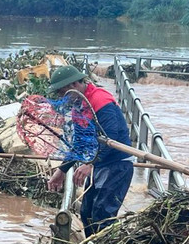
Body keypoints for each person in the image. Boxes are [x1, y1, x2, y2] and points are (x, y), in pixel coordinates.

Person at [45, 65, 134, 235]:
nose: (59, 97)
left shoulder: (100, 100)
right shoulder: (79, 105)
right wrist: (62, 171)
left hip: (117, 163)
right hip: (99, 164)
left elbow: (111, 137)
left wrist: (90, 164)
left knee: (103, 214)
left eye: (61, 92)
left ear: (73, 86)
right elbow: (80, 143)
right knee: (86, 213)